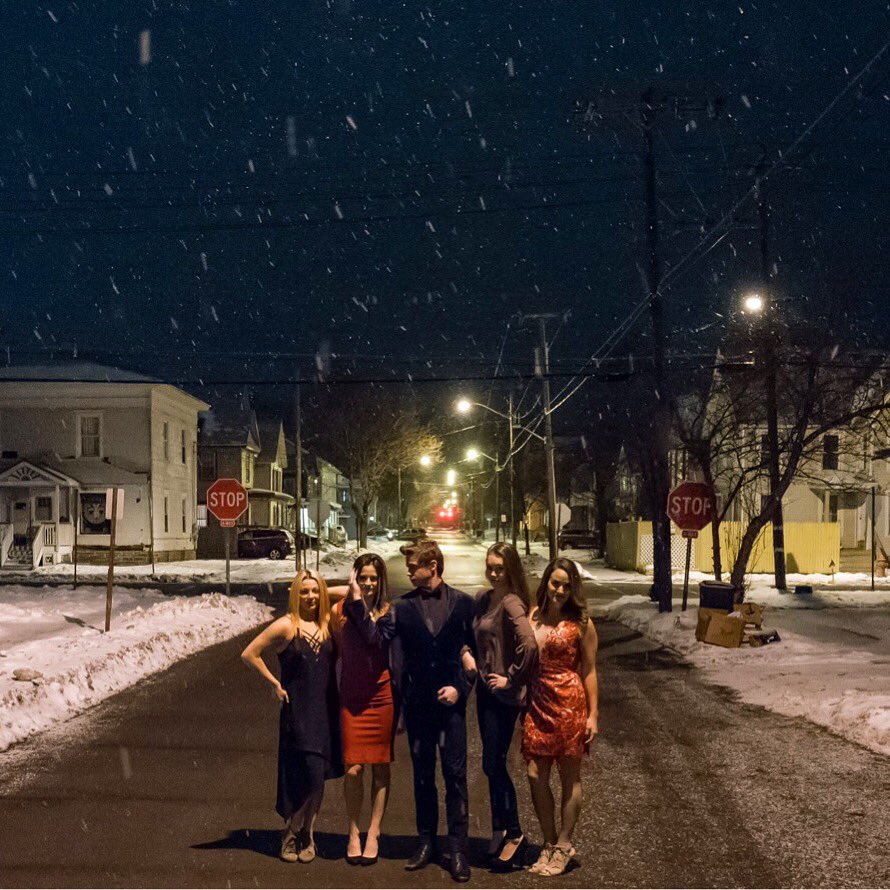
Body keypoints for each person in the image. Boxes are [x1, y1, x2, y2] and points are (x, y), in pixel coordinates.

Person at [345, 539, 476, 883]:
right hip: (418, 707)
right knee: (422, 778)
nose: (408, 571)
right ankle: (426, 842)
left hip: (451, 709)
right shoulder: (402, 608)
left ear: (432, 566)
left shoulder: (464, 604)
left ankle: (458, 850)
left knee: (455, 778)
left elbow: (476, 654)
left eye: (413, 566)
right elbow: (378, 641)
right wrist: (355, 598)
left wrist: (460, 688)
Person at [241, 569, 343, 864]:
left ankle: (307, 833)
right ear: (295, 595)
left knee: (319, 775)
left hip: (327, 708)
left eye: (315, 591)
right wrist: (274, 683)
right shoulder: (287, 625)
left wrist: (324, 589)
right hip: (298, 710)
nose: (310, 596)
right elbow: (249, 653)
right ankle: (292, 831)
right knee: (307, 772)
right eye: (304, 591)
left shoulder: (327, 621)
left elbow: (353, 592)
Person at [521, 557, 598, 877]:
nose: (561, 590)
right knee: (535, 774)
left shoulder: (582, 623)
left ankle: (564, 845)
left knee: (569, 777)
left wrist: (593, 714)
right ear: (546, 583)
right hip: (537, 703)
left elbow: (589, 670)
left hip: (569, 704)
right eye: (556, 583)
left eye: (567, 586)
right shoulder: (533, 616)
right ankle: (549, 840)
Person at [472, 542, 538, 870]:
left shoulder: (511, 602)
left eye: (500, 568)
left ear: (510, 570)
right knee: (491, 764)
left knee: (493, 763)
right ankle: (499, 829)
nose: (494, 573)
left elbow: (529, 645)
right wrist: (468, 656)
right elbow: (470, 635)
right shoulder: (484, 599)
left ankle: (514, 833)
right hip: (485, 691)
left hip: (504, 696)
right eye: (490, 567)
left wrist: (511, 678)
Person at [329, 553, 395, 867]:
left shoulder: (387, 613)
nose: (368, 583)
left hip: (381, 697)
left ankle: (374, 832)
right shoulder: (337, 611)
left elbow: (374, 640)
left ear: (381, 581)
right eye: (362, 577)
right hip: (352, 698)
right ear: (354, 578)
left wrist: (356, 602)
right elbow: (335, 648)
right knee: (353, 769)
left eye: (373, 578)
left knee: (380, 768)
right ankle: (353, 830)